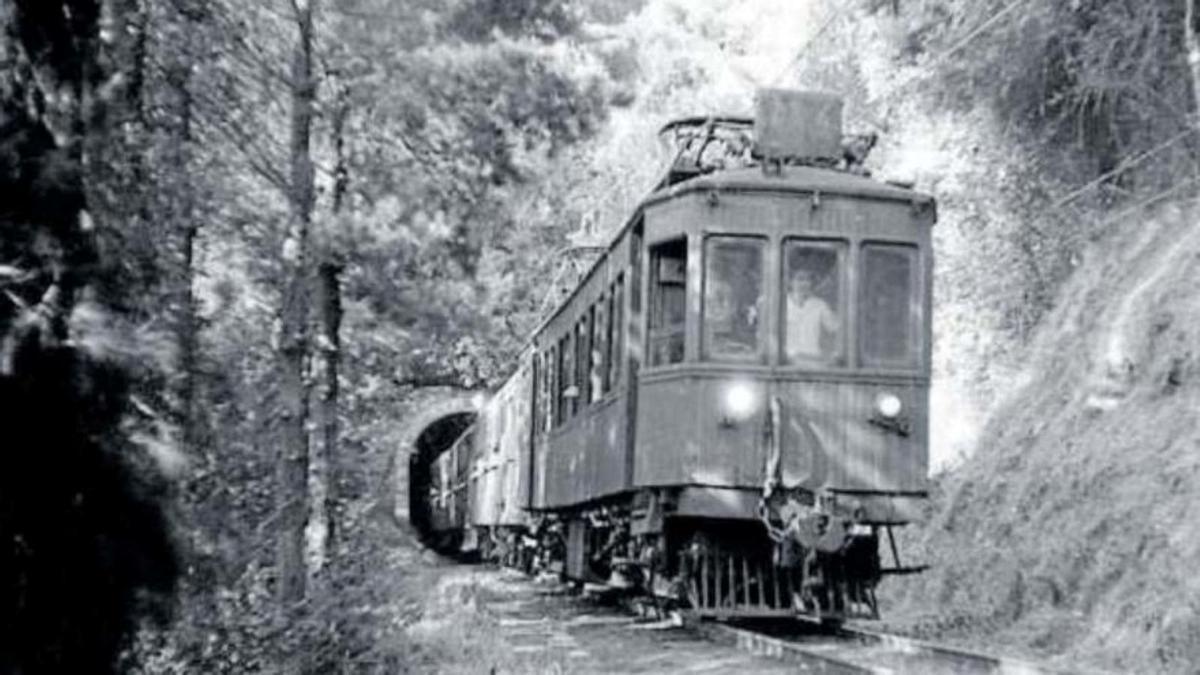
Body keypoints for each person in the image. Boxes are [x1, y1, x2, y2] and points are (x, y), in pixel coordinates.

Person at [785, 268, 838, 361]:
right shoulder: (781, 304)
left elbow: (834, 328)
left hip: (812, 359)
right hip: (787, 360)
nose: (804, 284)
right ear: (791, 282)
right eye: (800, 279)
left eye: (807, 280)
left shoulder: (820, 305)